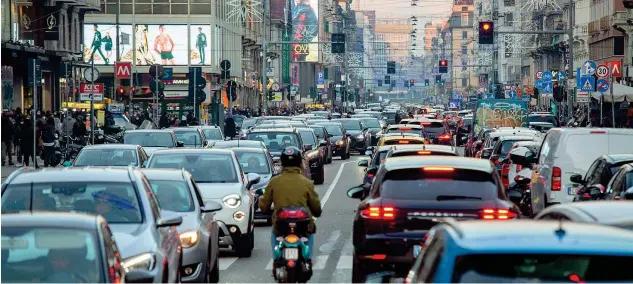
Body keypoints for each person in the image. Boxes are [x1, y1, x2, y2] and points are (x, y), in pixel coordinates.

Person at [259, 146, 322, 275]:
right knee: (309, 234)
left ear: (282, 163)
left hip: (280, 225)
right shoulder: (307, 183)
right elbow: (316, 209)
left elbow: (263, 206)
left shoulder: (274, 182)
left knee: (274, 234)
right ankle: (307, 259)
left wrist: (263, 203)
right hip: (303, 226)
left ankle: (276, 260)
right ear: (300, 163)